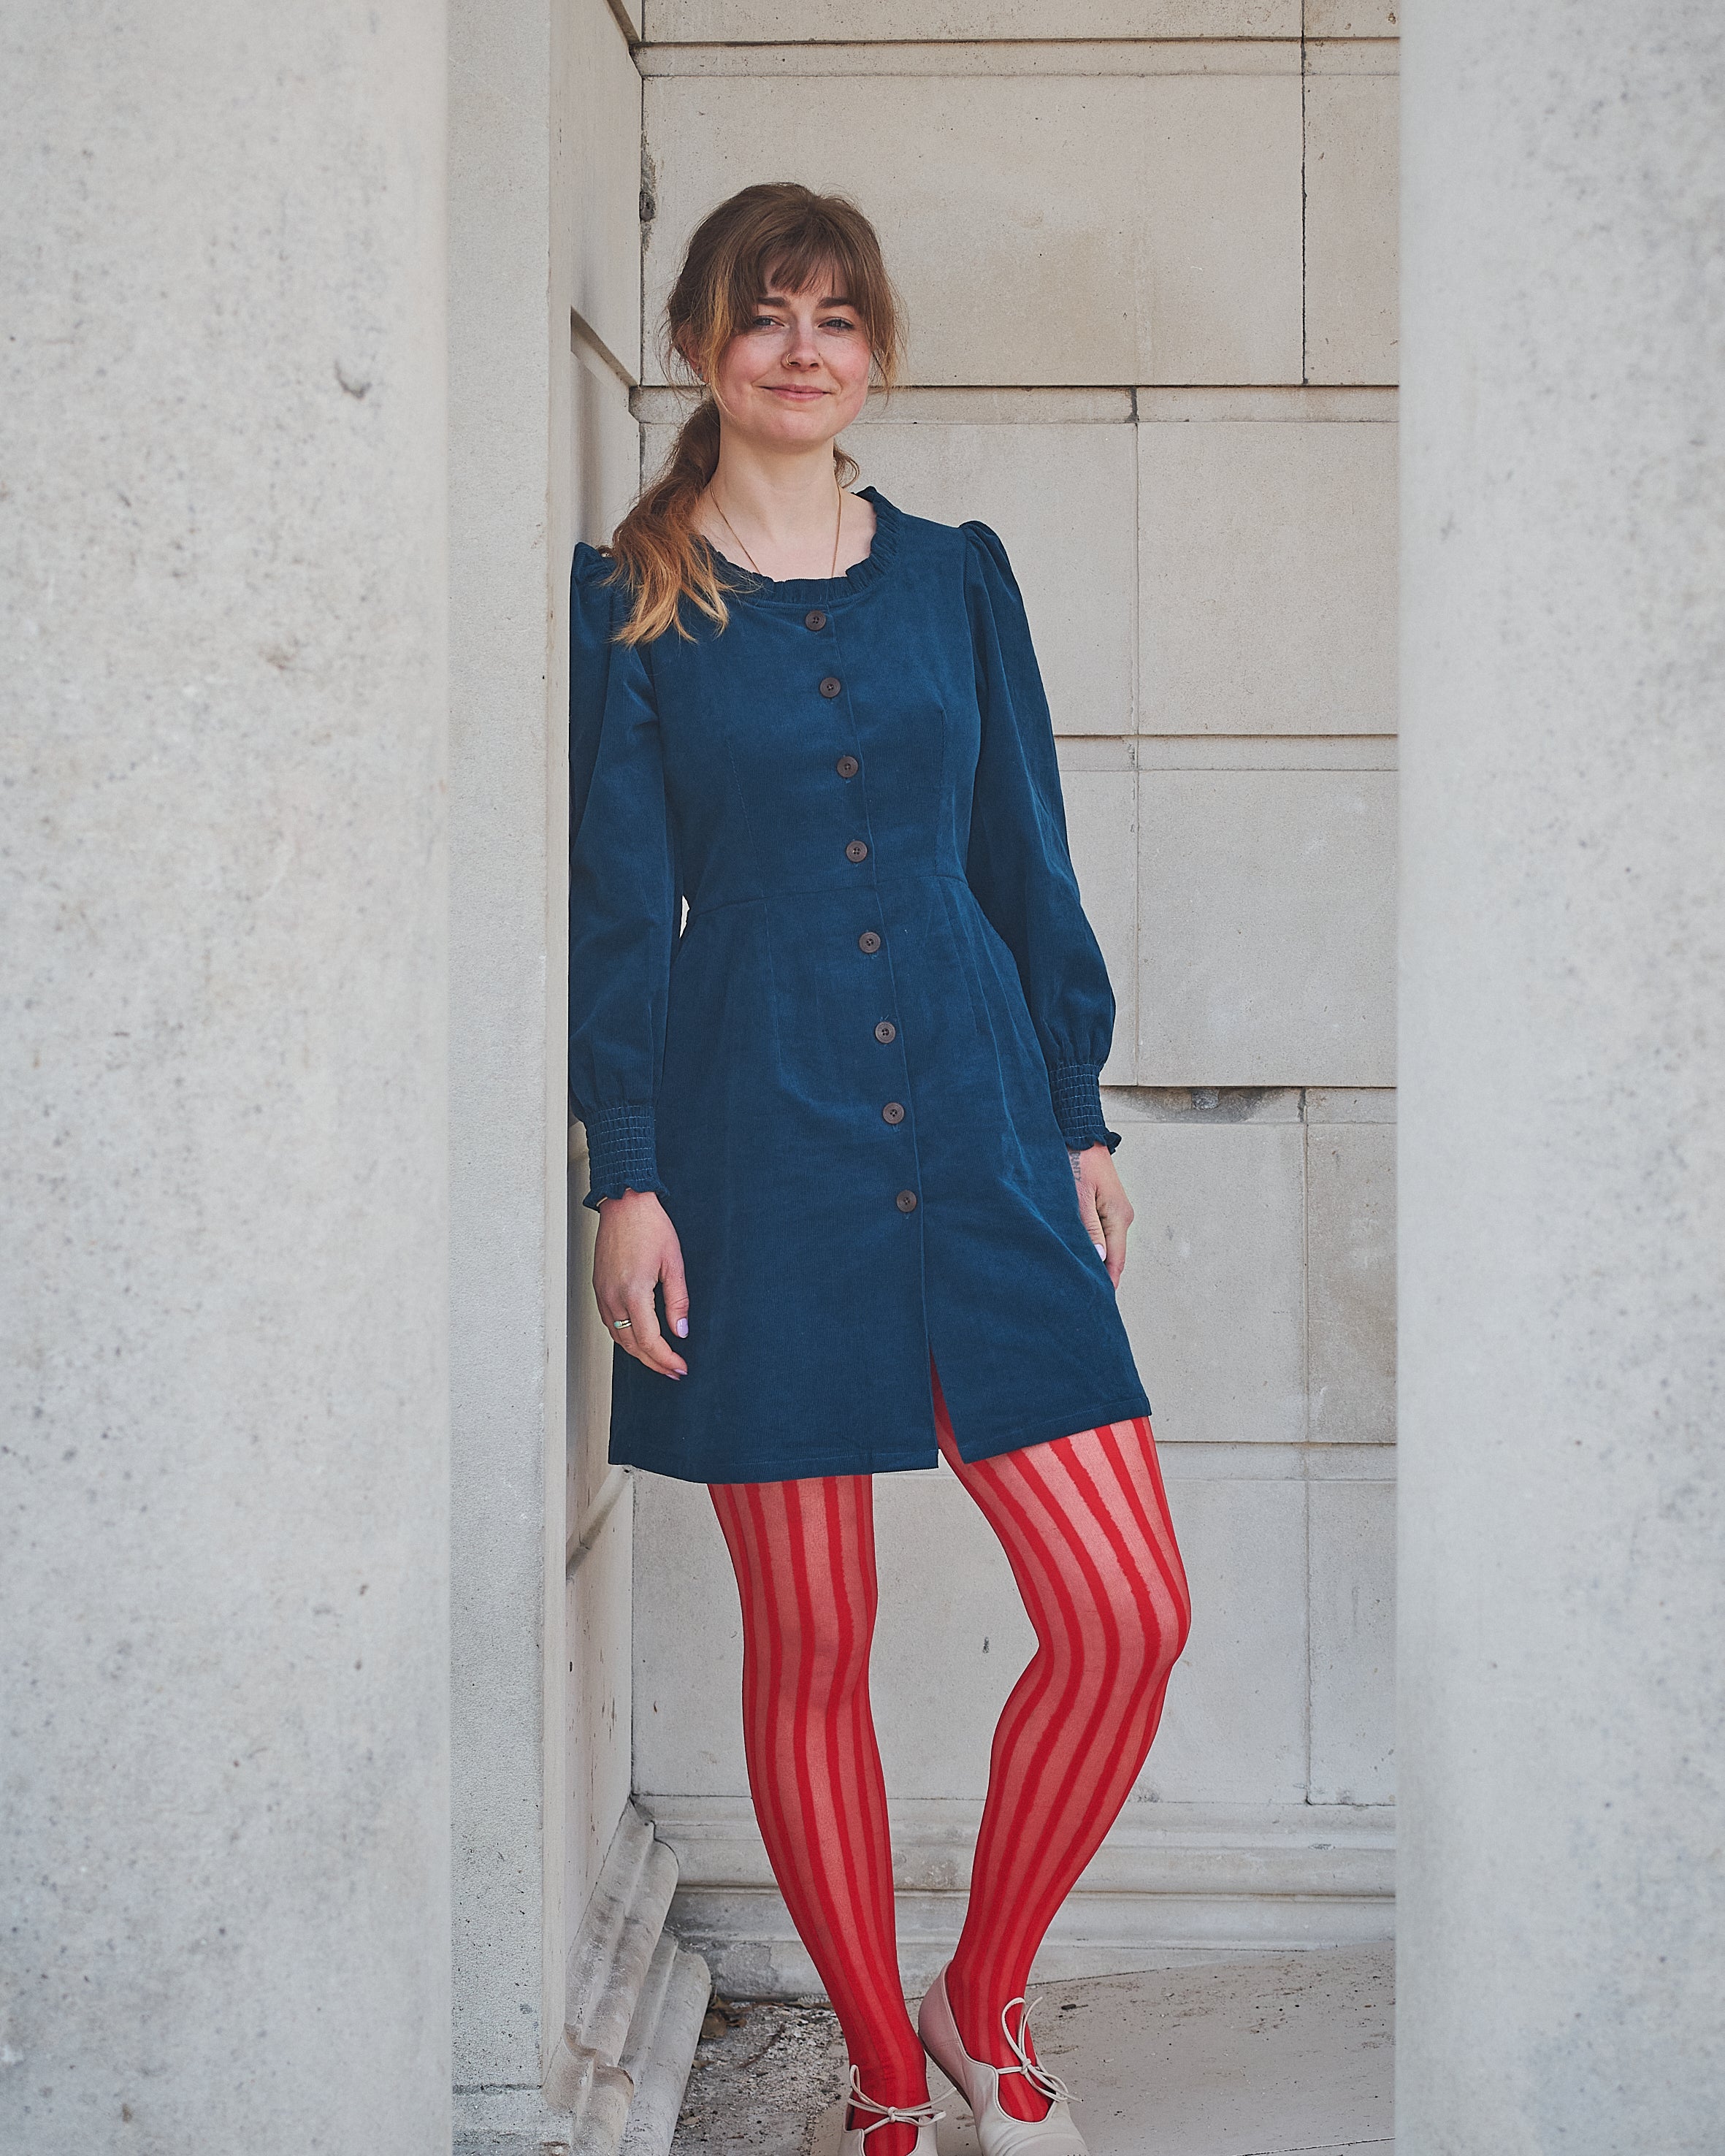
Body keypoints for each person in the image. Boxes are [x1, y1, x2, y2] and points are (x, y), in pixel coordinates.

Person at [568, 182, 1191, 2156]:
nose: (803, 346)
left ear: (875, 351)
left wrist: (1077, 1110)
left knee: (1126, 1608)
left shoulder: (955, 576)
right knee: (811, 1637)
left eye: (837, 315)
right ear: (700, 343)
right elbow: (614, 910)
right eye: (765, 314)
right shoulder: (629, 599)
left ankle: (978, 1989)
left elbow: (1027, 856)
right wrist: (630, 1175)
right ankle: (878, 2071)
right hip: (757, 1141)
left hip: (985, 1119)